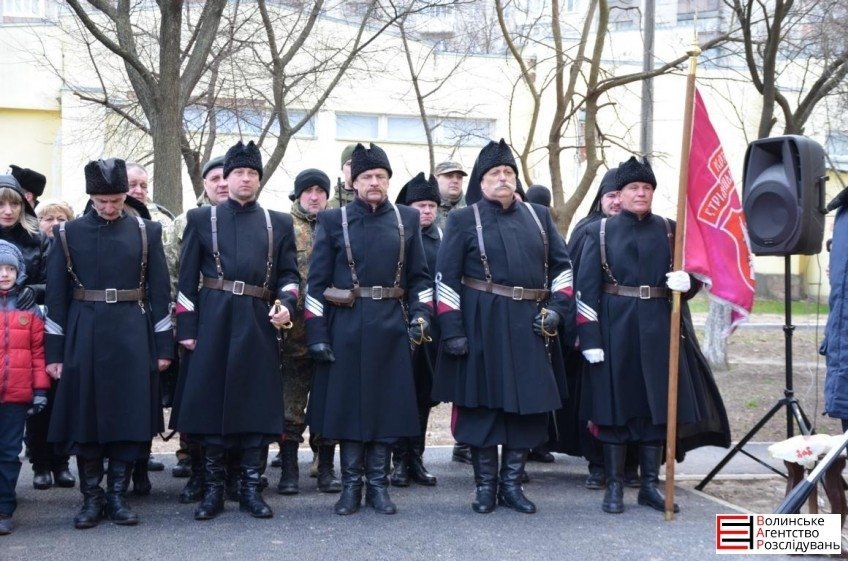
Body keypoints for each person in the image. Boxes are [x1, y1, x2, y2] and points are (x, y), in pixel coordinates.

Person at [431, 139, 573, 515]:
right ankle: (485, 487)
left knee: (525, 408)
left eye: (508, 172)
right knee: (482, 408)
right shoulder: (463, 219)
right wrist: (452, 330)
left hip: (530, 326)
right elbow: (445, 279)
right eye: (495, 173)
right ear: (481, 182)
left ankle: (512, 485)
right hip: (481, 324)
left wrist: (558, 309)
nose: (503, 178)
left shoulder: (539, 217)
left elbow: (563, 268)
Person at [575, 156, 724, 515]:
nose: (640, 193)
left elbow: (695, 275)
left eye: (646, 188)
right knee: (614, 409)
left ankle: (649, 486)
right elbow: (585, 291)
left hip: (660, 328)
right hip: (615, 328)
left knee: (656, 409)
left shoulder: (671, 230)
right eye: (633, 188)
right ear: (621, 193)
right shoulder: (600, 232)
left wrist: (689, 284)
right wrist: (590, 338)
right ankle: (614, 486)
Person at [174, 140, 299, 521]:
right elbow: (186, 281)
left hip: (258, 320)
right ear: (226, 179)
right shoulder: (201, 219)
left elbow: (290, 276)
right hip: (213, 319)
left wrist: (287, 303)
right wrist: (187, 327)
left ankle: (249, 489)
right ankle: (213, 491)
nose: (245, 179)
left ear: (259, 179)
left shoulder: (279, 223)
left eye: (252, 173)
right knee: (212, 405)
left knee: (256, 405)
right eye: (239, 172)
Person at [45, 157, 173, 529]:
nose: (109, 207)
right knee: (85, 415)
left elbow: (160, 292)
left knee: (128, 414)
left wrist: (163, 347)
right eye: (101, 200)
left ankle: (117, 496)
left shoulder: (147, 232)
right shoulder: (67, 234)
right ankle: (91, 498)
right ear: (91, 196)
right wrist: (54, 353)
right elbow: (56, 298)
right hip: (83, 331)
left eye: (115, 199)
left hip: (133, 332)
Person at [305, 143, 432, 516]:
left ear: (388, 180)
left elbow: (421, 279)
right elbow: (315, 284)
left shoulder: (407, 219)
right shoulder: (333, 220)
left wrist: (421, 315)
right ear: (354, 182)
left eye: (380, 176)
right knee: (348, 410)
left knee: (386, 409)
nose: (374, 182)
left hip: (392, 326)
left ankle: (378, 486)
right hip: (344, 325)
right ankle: (350, 488)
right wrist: (317, 335)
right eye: (366, 176)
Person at [163, 155, 226, 502]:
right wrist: (179, 324)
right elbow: (173, 276)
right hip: (194, 324)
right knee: (195, 399)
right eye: (214, 178)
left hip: (233, 323)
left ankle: (231, 471)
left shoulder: (256, 219)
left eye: (225, 177)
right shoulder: (185, 222)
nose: (222, 183)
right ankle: (197, 468)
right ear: (204, 183)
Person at [275, 168, 340, 496]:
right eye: (308, 191)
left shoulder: (339, 224)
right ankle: (289, 469)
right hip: (294, 333)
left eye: (320, 191)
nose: (314, 197)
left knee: (328, 401)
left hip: (331, 329)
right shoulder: (283, 227)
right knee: (291, 404)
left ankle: (325, 466)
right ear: (297, 194)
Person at [0, 176, 67, 492]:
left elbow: (56, 282)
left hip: (34, 326)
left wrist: (32, 290)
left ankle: (52, 461)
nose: (7, 210)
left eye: (13, 203)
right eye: (1, 204)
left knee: (45, 396)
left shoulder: (38, 239)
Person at [390, 172, 441, 487]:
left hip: (431, 330)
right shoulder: (398, 235)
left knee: (423, 396)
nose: (427, 211)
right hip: (398, 325)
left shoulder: (443, 238)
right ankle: (397, 460)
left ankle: (416, 459)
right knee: (399, 395)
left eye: (432, 205)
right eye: (421, 205)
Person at [0, 240, 49, 535]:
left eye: (9, 269)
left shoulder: (29, 309)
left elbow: (38, 353)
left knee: (9, 453)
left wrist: (40, 390)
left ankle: (4, 507)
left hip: (16, 396)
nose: (4, 274)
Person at [126, 162, 175, 227]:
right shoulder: (113, 215)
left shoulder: (162, 218)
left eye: (143, 186)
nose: (139, 191)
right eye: (132, 185)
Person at [434, 160, 467, 233]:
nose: (455, 181)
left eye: (459, 177)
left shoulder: (472, 206)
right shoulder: (426, 207)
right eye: (449, 176)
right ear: (436, 179)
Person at [328, 144, 357, 209]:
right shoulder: (329, 207)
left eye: (358, 163)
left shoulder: (374, 205)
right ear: (342, 169)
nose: (354, 168)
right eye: (349, 164)